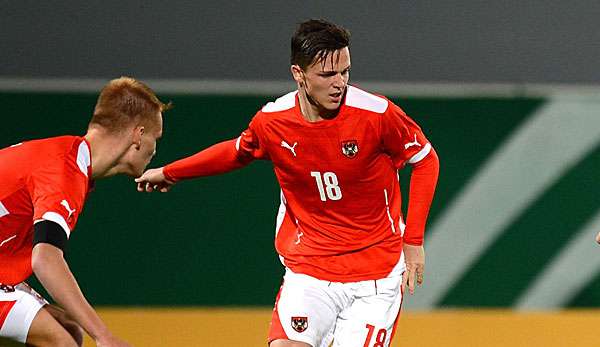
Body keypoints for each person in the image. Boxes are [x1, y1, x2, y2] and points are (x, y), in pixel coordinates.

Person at [136, 19, 439, 347]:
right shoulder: (272, 121)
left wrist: (414, 241)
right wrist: (171, 172)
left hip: (375, 277)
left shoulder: (376, 114)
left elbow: (426, 160)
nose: (339, 84)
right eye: (327, 75)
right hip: (308, 271)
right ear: (299, 74)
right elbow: (237, 152)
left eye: (345, 72)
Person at [0, 77, 170, 347]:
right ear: (138, 134)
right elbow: (45, 259)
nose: (155, 148)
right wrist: (104, 336)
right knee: (61, 342)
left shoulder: (73, 162)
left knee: (68, 330)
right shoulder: (63, 170)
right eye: (155, 137)